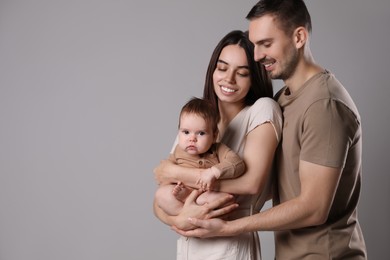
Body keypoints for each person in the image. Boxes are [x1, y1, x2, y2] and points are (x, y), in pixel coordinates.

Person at [173, 0, 368, 259]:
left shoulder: (324, 105)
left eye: (266, 44)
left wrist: (229, 228)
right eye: (255, 45)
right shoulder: (284, 100)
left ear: (299, 37)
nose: (256, 56)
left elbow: (314, 208)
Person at [154, 30, 283, 259]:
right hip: (189, 247)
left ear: (254, 77)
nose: (229, 79)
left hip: (231, 245)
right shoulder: (197, 122)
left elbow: (252, 184)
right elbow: (159, 199)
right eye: (222, 68)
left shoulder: (262, 110)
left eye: (242, 73)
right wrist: (177, 220)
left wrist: (174, 171)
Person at [155, 97, 246, 216]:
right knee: (161, 194)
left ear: (214, 136)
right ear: (178, 131)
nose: (192, 138)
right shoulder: (178, 150)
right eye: (186, 132)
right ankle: (184, 215)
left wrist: (213, 172)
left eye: (201, 133)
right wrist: (169, 184)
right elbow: (165, 176)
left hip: (205, 195)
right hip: (182, 193)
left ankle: (196, 213)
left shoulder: (218, 149)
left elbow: (237, 164)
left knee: (226, 200)